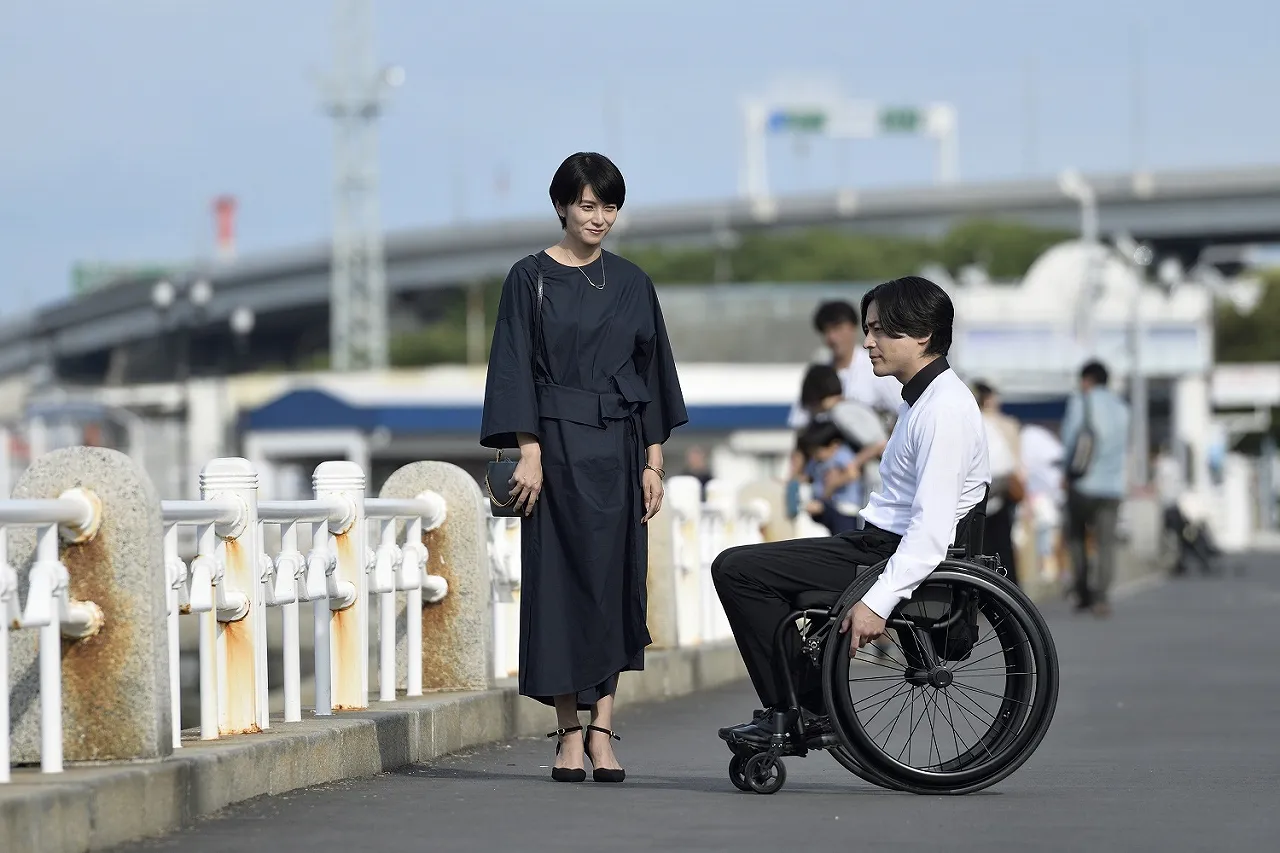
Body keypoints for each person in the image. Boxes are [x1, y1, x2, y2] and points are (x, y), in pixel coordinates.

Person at [479, 152, 688, 783]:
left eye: (609, 205)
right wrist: (531, 453)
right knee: (559, 587)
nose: (599, 217)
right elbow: (513, 365)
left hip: (621, 453)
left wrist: (654, 460)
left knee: (614, 586)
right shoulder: (528, 277)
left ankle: (603, 730)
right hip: (558, 452)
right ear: (563, 206)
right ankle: (568, 733)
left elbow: (652, 375)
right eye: (587, 205)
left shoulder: (633, 282)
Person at [712, 275, 990, 744]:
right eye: (868, 329)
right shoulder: (922, 400)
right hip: (874, 543)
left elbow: (931, 531)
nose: (868, 342)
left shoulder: (944, 409)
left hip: (890, 554)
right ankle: (806, 704)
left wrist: (877, 602)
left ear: (922, 335)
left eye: (881, 331)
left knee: (738, 570)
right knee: (745, 567)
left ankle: (805, 710)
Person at [1060, 360, 1130, 617]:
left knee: (1077, 538)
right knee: (1106, 544)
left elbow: (1070, 442)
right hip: (1112, 487)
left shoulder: (1081, 402)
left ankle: (1083, 592)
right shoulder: (1123, 409)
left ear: (1087, 380)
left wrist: (1067, 472)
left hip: (1083, 484)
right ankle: (1102, 597)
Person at [787, 300, 903, 430]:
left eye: (837, 329)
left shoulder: (876, 368)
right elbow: (798, 421)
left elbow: (902, 410)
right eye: (826, 331)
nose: (832, 337)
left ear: (853, 327)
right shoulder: (817, 373)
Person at [793, 363, 888, 504]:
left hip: (877, 481)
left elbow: (880, 444)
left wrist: (852, 464)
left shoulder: (841, 412)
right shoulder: (849, 407)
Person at [973, 381, 1025, 586]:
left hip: (980, 489)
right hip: (1004, 487)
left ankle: (982, 588)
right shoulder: (1006, 423)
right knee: (1003, 544)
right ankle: (1010, 588)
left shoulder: (970, 419)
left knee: (979, 544)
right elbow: (1015, 461)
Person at [795, 420, 865, 535]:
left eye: (818, 451)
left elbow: (852, 473)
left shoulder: (841, 454)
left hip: (844, 507)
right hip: (827, 506)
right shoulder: (816, 461)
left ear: (834, 445)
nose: (815, 455)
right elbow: (807, 476)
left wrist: (833, 484)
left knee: (843, 539)